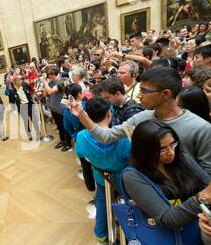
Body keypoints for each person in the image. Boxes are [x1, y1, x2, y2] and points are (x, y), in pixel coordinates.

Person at [69, 67, 211, 175]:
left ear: (165, 94)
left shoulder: (201, 128)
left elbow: (206, 173)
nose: (138, 95)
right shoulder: (142, 117)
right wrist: (81, 114)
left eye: (144, 91)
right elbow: (107, 137)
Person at [122, 120, 210, 231]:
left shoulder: (182, 159)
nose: (171, 152)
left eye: (173, 144)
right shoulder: (133, 176)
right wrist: (201, 199)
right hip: (174, 242)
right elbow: (168, 219)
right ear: (144, 151)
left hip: (200, 229)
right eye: (162, 149)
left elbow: (207, 185)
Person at [76, 97, 131, 242]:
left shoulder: (81, 136)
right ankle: (130, 233)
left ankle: (101, 233)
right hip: (123, 179)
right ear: (109, 113)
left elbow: (81, 154)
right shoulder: (123, 138)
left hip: (101, 176)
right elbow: (130, 157)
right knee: (127, 204)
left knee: (102, 202)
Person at [41, 67, 71, 151]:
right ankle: (62, 141)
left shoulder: (62, 80)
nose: (47, 76)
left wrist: (44, 82)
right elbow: (45, 94)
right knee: (59, 126)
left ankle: (68, 143)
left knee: (65, 126)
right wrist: (45, 84)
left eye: (48, 74)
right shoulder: (50, 83)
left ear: (52, 74)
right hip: (54, 108)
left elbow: (50, 91)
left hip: (62, 108)